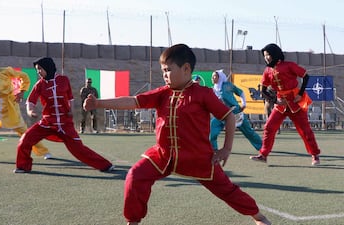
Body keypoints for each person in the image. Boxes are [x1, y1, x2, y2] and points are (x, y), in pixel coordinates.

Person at [84, 44, 271, 225]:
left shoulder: (203, 94)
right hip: (162, 155)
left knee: (227, 190)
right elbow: (133, 101)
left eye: (168, 70)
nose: (164, 75)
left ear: (186, 69)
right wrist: (98, 103)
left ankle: (258, 216)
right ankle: (132, 221)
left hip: (198, 158)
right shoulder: (162, 93)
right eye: (163, 70)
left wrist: (226, 149)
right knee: (135, 175)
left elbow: (229, 117)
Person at [14, 57, 114, 173]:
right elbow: (30, 101)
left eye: (40, 69)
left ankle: (105, 165)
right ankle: (22, 166)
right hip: (47, 123)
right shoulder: (39, 85)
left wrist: (70, 110)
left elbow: (70, 98)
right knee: (25, 140)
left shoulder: (64, 80)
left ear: (48, 67)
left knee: (78, 149)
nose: (38, 72)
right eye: (37, 70)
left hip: (65, 123)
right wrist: (30, 111)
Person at [250, 43, 321, 166]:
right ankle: (263, 155)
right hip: (280, 104)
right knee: (269, 127)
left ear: (275, 54)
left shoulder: (289, 65)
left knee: (305, 131)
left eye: (268, 54)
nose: (266, 57)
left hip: (295, 103)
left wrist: (300, 93)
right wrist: (275, 101)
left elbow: (306, 76)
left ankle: (315, 155)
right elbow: (263, 91)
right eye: (265, 55)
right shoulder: (267, 71)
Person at [210, 69, 262, 152]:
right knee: (212, 129)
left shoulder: (228, 86)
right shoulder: (213, 90)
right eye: (212, 76)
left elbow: (240, 92)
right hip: (222, 114)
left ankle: (262, 147)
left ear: (220, 77)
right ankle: (213, 149)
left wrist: (243, 104)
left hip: (235, 112)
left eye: (214, 76)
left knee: (248, 132)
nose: (212, 78)